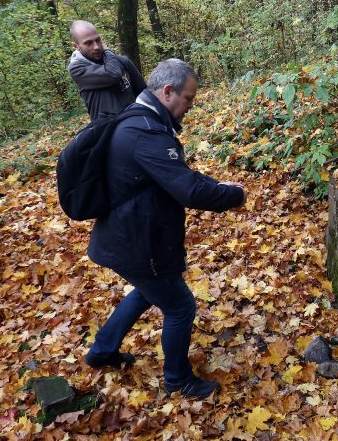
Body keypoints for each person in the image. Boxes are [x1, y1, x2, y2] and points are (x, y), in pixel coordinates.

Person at [85, 58, 246, 399]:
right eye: (188, 98)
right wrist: (234, 194)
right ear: (168, 91)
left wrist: (216, 184)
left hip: (126, 237)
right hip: (135, 243)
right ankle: (178, 379)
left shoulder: (143, 120)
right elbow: (188, 189)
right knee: (180, 306)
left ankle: (102, 351)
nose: (190, 106)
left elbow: (174, 177)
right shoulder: (144, 131)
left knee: (147, 291)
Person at [67, 20, 146, 121]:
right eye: (88, 43)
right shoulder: (77, 69)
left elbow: (143, 91)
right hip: (107, 130)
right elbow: (113, 74)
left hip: (136, 121)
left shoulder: (122, 61)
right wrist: (108, 50)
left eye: (98, 40)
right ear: (76, 46)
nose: (96, 47)